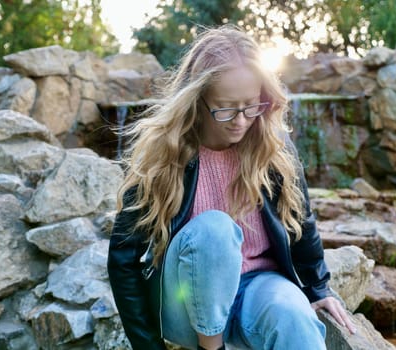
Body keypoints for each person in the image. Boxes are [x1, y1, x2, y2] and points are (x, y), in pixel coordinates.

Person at [107, 25, 355, 350]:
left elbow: (301, 220)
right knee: (215, 230)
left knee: (295, 317)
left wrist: (318, 289)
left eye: (251, 105)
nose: (240, 120)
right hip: (185, 305)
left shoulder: (273, 146)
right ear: (197, 100)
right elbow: (123, 258)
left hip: (257, 288)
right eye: (225, 108)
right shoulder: (163, 153)